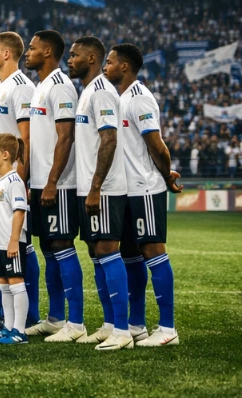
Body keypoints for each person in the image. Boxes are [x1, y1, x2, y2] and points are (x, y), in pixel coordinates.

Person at [106, 43, 183, 347]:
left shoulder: (139, 98)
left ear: (124, 67)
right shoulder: (118, 98)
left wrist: (166, 176)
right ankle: (136, 324)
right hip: (124, 190)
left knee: (153, 251)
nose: (105, 66)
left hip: (145, 188)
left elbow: (157, 144)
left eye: (109, 62)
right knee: (130, 256)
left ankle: (167, 329)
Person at [66, 36, 133, 350]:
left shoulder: (103, 91)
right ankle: (109, 325)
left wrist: (95, 187)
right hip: (88, 188)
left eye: (75, 55)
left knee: (107, 250)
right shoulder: (87, 91)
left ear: (91, 58)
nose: (70, 59)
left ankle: (123, 331)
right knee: (96, 253)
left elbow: (109, 140)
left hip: (103, 189)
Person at [23, 30, 82, 341]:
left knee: (61, 245)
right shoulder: (40, 87)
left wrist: (52, 182)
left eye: (32, 48)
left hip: (57, 185)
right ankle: (56, 317)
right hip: (41, 182)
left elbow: (66, 137)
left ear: (47, 52)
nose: (27, 53)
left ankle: (77, 321)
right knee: (48, 247)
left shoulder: (60, 86)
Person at [0, 31, 37, 329]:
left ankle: (27, 318)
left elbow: (26, 140)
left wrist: (20, 180)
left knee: (22, 247)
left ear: (6, 54)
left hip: (13, 182)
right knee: (0, 249)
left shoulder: (20, 87)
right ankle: (7, 317)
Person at [0, 133, 31, 345]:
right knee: (3, 283)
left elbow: (19, 212)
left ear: (5, 155)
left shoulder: (14, 180)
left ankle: (20, 331)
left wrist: (14, 240)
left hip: (11, 242)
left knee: (15, 281)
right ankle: (8, 327)